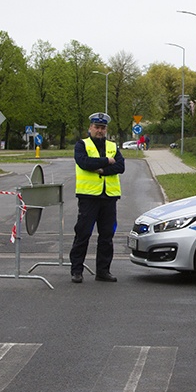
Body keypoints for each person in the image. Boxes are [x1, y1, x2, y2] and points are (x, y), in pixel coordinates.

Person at [69, 112, 126, 283]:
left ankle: (103, 271)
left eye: (103, 128)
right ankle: (76, 270)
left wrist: (102, 169)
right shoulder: (82, 145)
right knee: (83, 234)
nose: (100, 131)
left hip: (109, 197)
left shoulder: (112, 146)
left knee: (107, 236)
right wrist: (107, 161)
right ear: (90, 128)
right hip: (89, 197)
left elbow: (121, 166)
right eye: (97, 127)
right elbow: (84, 163)